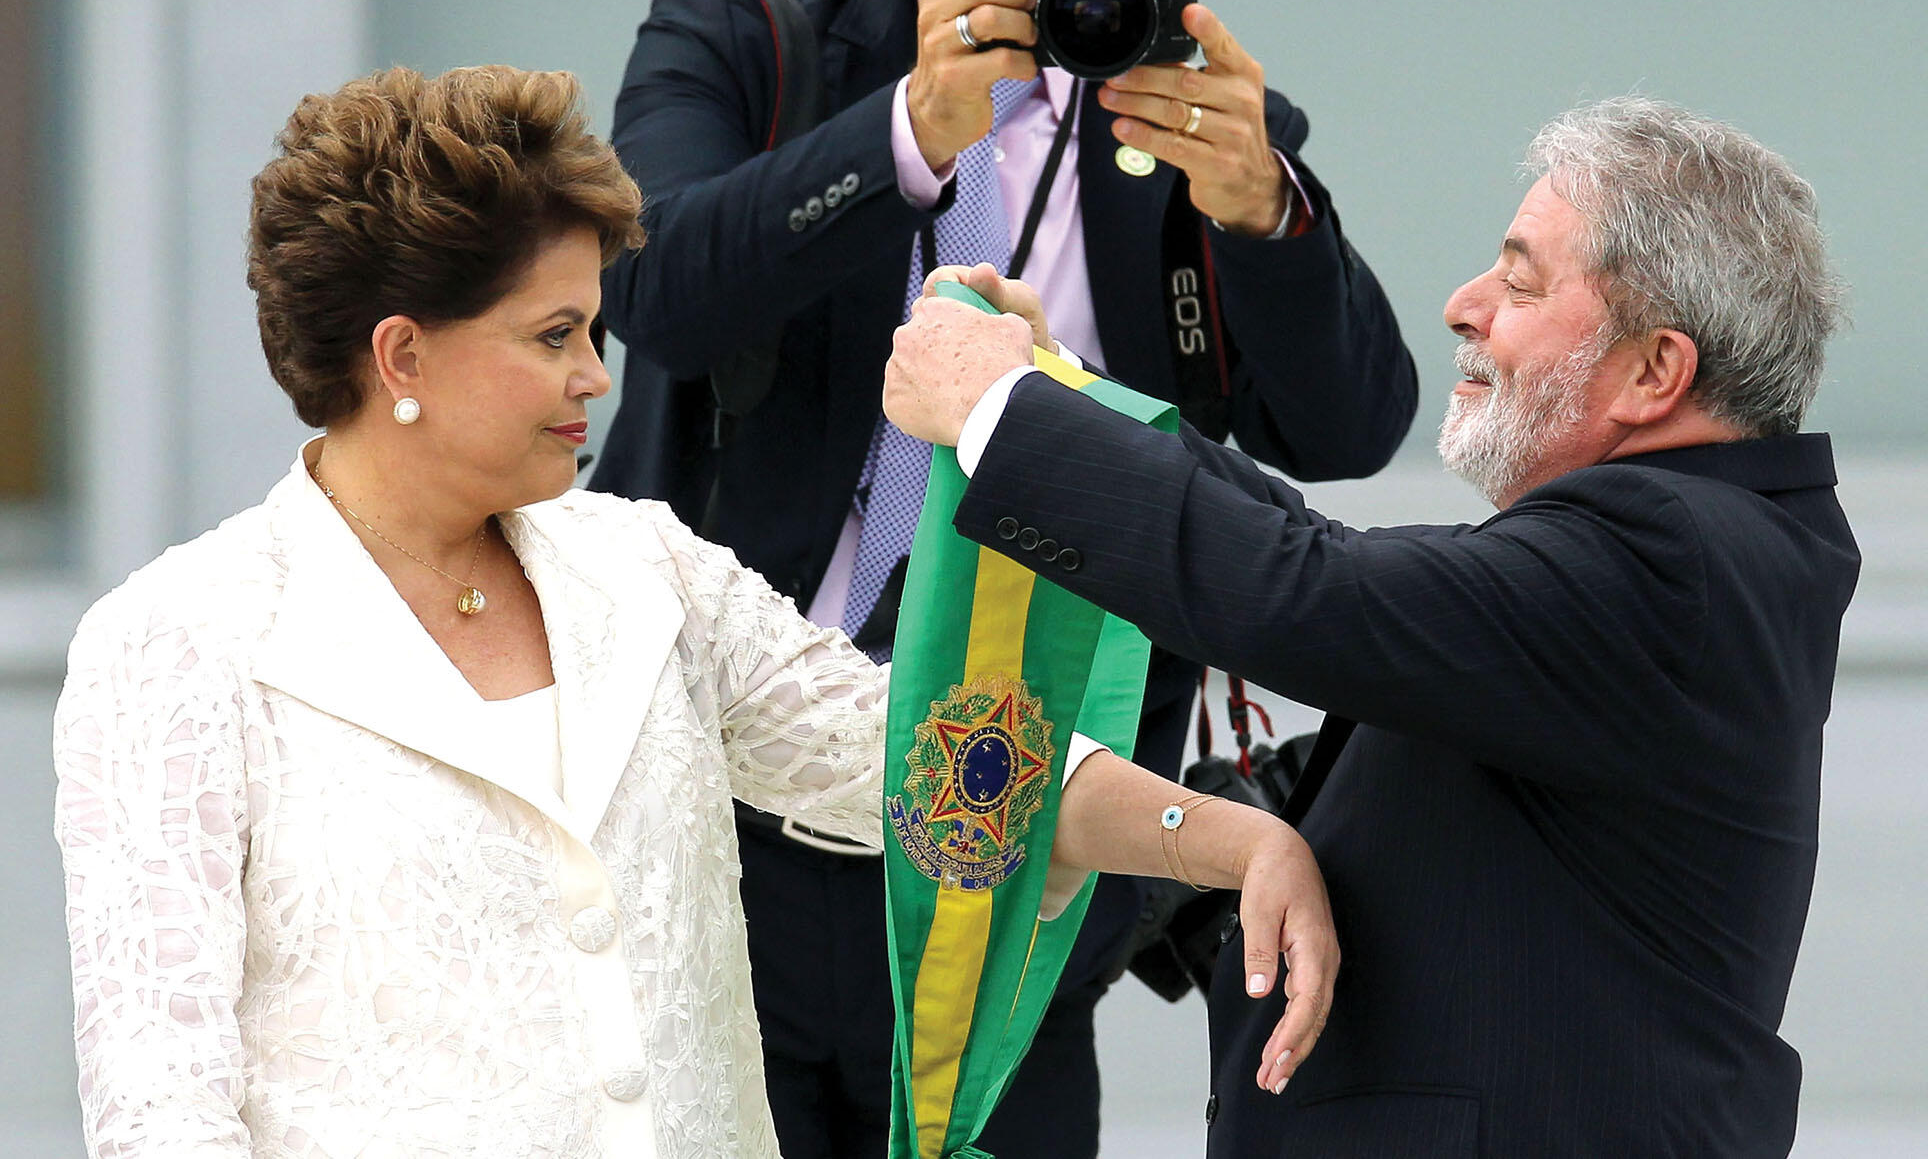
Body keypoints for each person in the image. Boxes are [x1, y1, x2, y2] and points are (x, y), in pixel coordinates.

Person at [49, 64, 1338, 1159]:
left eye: (592, 330)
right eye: (553, 335)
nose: (596, 378)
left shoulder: (645, 566)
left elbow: (931, 753)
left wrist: (1229, 841)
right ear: (402, 357)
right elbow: (161, 1103)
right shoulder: (174, 642)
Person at [591, 0, 1417, 1152]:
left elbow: (1349, 426)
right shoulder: (751, 41)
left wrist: (1264, 212)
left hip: (1021, 849)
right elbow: (651, 287)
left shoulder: (1179, 109)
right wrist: (912, 130)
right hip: (720, 817)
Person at [884, 97, 1858, 1157]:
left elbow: (1311, 591)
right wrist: (1055, 390)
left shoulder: (1668, 554)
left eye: (1519, 280)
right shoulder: (1692, 541)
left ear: (1652, 373)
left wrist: (999, 413)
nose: (1461, 304)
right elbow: (1316, 551)